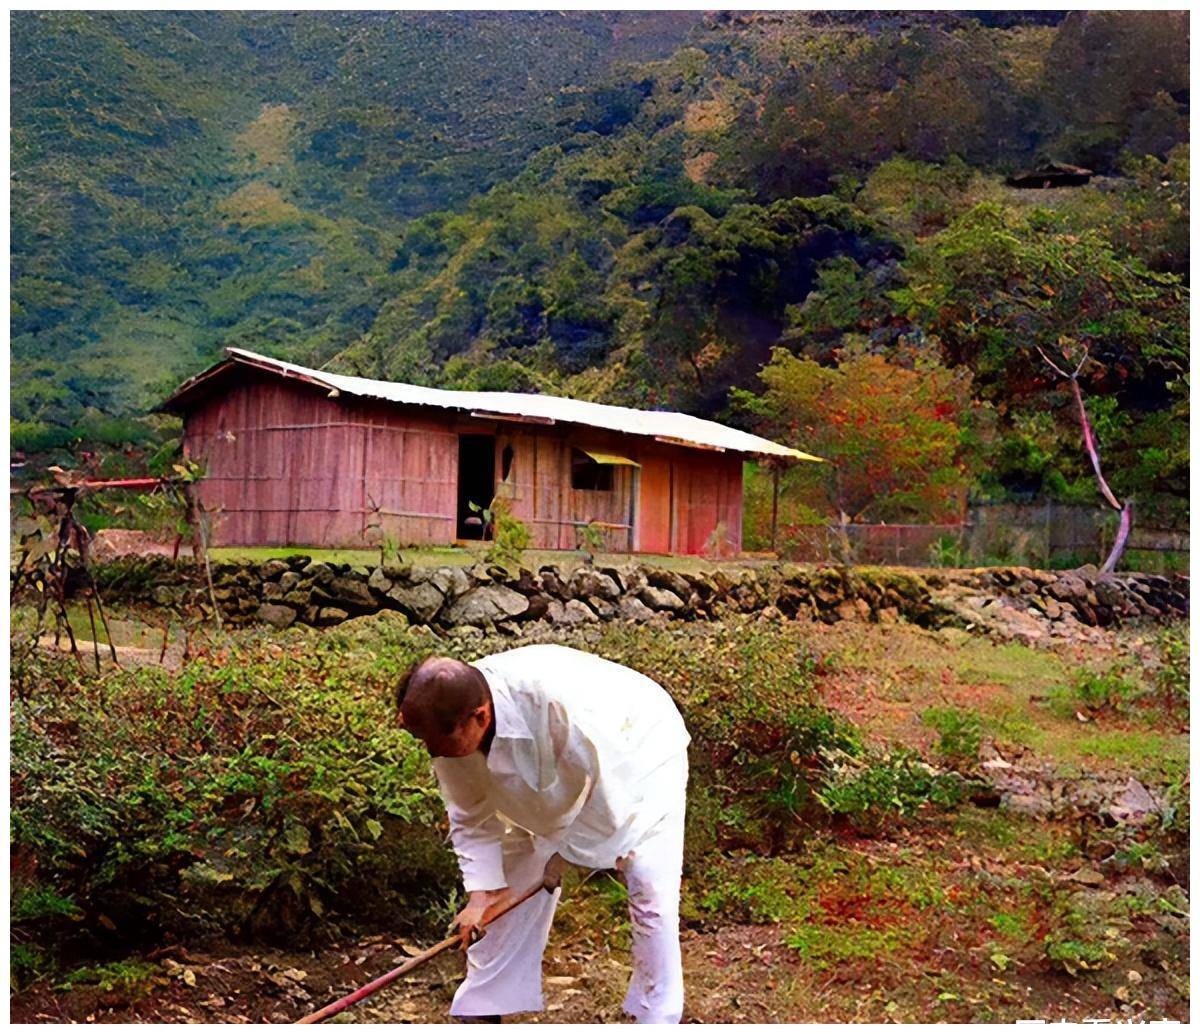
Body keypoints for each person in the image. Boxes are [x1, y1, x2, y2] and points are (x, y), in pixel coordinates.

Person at [394, 643, 690, 1024]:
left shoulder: (558, 707)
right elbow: (470, 815)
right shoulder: (448, 718)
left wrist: (562, 857)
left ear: (480, 716)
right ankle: (484, 1006)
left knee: (649, 884)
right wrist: (481, 896)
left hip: (636, 747)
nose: (432, 750)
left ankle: (658, 1016)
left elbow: (607, 799)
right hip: (561, 776)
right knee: (507, 876)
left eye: (439, 741)